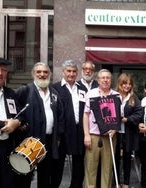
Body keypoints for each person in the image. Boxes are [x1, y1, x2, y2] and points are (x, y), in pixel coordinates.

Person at [15, 62, 65, 188]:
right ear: (33, 74)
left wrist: (58, 136)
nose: (42, 74)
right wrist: (20, 124)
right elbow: (14, 110)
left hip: (49, 140)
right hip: (30, 141)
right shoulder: (25, 90)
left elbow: (60, 116)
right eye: (39, 72)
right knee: (26, 175)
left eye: (45, 72)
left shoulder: (54, 93)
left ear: (49, 74)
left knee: (45, 175)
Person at [0, 57, 24, 188]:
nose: (0, 73)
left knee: (8, 183)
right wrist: (5, 124)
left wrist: (17, 122)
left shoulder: (10, 93)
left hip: (6, 147)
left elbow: (21, 113)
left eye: (4, 70)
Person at [83, 69, 121, 188]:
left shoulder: (116, 95)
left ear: (111, 80)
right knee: (91, 168)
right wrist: (86, 135)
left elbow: (119, 116)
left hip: (109, 137)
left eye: (108, 78)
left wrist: (114, 129)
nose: (105, 80)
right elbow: (85, 114)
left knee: (107, 169)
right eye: (102, 78)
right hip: (93, 136)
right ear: (98, 80)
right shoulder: (91, 94)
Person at [52, 60, 85, 188]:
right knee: (58, 163)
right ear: (63, 72)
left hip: (78, 131)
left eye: (74, 71)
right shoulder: (55, 88)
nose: (71, 74)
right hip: (62, 132)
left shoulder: (82, 89)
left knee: (79, 162)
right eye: (69, 71)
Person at [115, 73, 143, 188]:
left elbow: (139, 113)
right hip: (115, 133)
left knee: (127, 159)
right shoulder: (114, 96)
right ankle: (116, 182)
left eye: (129, 84)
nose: (127, 86)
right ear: (120, 84)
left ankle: (126, 183)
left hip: (128, 133)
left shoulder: (133, 98)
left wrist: (128, 119)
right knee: (115, 158)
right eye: (124, 83)